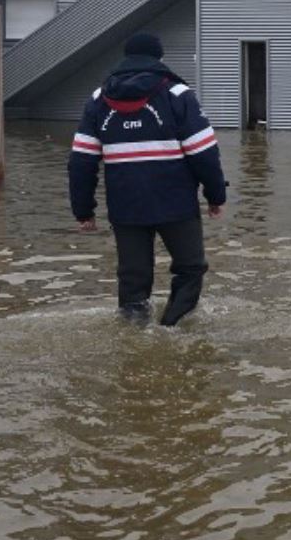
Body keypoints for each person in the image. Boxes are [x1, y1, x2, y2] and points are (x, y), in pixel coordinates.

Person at [69, 32, 227, 325]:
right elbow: (204, 153)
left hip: (125, 206)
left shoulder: (97, 99)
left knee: (133, 278)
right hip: (176, 205)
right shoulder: (178, 95)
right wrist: (216, 196)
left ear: (125, 59)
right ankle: (171, 328)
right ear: (159, 59)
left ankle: (134, 335)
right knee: (190, 268)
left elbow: (81, 162)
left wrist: (83, 211)